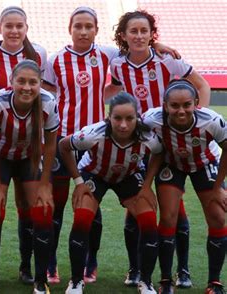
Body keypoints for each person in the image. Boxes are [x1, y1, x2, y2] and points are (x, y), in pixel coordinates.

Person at [42, 6, 180, 284]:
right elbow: (50, 95)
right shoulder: (55, 59)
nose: (83, 31)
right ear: (70, 29)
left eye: (88, 26)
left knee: (91, 206)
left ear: (95, 30)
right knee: (56, 206)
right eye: (78, 26)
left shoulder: (107, 55)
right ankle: (50, 263)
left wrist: (157, 43)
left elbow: (137, 47)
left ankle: (89, 264)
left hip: (99, 141)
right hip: (66, 138)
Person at [109, 10, 211, 289]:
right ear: (124, 35)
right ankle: (135, 268)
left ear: (152, 34)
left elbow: (201, 85)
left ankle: (184, 270)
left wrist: (194, 120)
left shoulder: (169, 62)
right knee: (136, 207)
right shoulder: (117, 65)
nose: (139, 36)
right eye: (134, 31)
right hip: (138, 145)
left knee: (174, 209)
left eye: (145, 31)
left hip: (169, 146)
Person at [59, 92, 163, 294]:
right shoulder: (93, 134)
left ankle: (146, 281)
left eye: (129, 118)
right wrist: (79, 182)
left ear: (137, 118)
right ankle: (76, 281)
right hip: (95, 174)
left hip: (128, 176)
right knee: (82, 220)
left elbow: (159, 153)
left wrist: (147, 185)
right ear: (109, 117)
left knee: (149, 221)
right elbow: (63, 146)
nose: (123, 125)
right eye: (118, 118)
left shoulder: (147, 136)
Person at [0, 6, 47, 284]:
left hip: (28, 144)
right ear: (0, 28)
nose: (14, 31)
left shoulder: (39, 53)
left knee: (29, 208)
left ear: (26, 28)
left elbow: (44, 90)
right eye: (9, 26)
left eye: (19, 26)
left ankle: (26, 268)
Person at [0, 60, 59, 294]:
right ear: (11, 82)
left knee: (41, 211)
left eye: (32, 82)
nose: (26, 87)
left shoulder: (48, 102)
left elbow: (51, 145)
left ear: (40, 84)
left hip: (29, 156)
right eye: (21, 81)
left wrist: (45, 184)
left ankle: (36, 277)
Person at [142, 79, 226, 294]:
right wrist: (146, 185)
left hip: (204, 163)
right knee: (168, 217)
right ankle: (166, 280)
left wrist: (218, 187)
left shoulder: (212, 121)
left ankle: (214, 282)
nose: (181, 110)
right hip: (172, 164)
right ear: (165, 105)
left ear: (196, 103)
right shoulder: (151, 120)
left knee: (218, 216)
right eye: (175, 105)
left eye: (187, 105)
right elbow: (147, 147)